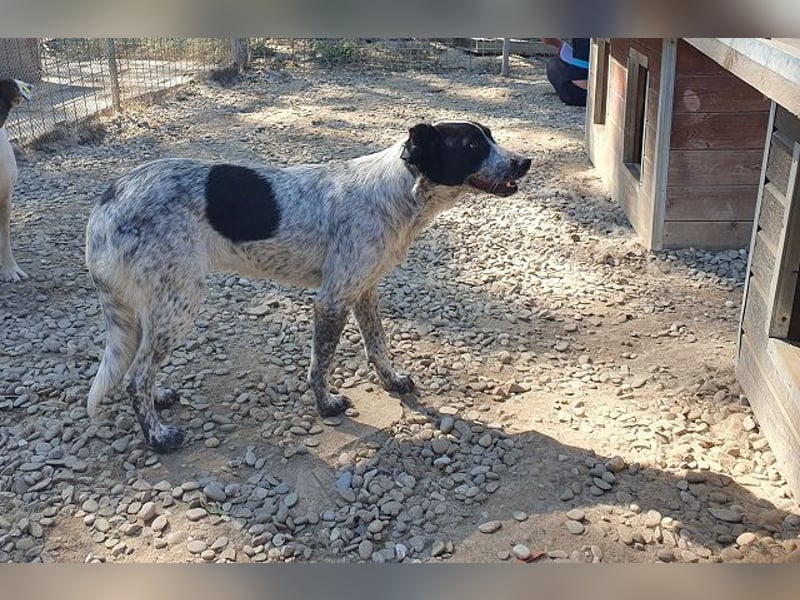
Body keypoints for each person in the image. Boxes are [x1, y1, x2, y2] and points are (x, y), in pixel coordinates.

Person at [541, 38, 590, 107]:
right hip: (607, 92)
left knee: (553, 65)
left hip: (579, 93)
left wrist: (559, 44)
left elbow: (547, 39)